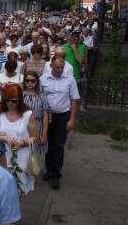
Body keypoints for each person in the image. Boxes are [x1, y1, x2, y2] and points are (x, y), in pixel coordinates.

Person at [0, 84, 39, 196]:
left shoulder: (28, 114)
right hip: (3, 157)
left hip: (22, 156)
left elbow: (35, 136)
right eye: (7, 100)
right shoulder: (0, 113)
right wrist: (4, 137)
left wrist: (22, 143)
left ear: (20, 100)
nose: (10, 103)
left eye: (14, 101)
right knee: (3, 189)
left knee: (19, 189)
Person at [40, 56, 80, 190]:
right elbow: (39, 96)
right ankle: (49, 169)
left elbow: (74, 100)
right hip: (47, 116)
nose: (60, 70)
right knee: (47, 143)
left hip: (62, 116)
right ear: (51, 66)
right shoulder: (43, 79)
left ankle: (56, 174)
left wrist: (71, 120)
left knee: (58, 145)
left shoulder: (69, 79)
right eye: (57, 67)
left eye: (62, 68)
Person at [23, 71, 50, 155]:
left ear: (37, 82)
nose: (30, 83)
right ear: (24, 81)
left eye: (33, 81)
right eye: (27, 80)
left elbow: (45, 116)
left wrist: (44, 134)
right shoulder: (20, 96)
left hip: (37, 126)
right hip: (23, 126)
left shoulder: (41, 97)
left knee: (35, 156)